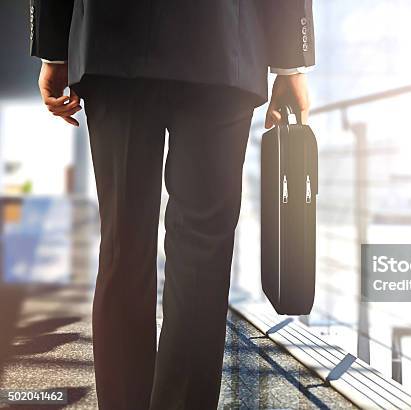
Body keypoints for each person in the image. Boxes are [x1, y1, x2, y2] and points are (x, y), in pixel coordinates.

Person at [29, 0, 315, 408]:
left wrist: (55, 47)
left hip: (111, 41)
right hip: (223, 43)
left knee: (122, 244)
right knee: (203, 249)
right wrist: (292, 62)